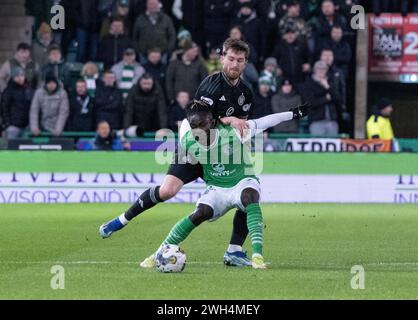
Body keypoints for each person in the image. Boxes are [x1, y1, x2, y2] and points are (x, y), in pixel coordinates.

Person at [99, 38, 260, 267]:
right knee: (167, 191)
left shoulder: (246, 93)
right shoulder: (210, 85)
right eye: (231, 58)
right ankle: (121, 220)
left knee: (246, 188)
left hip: (220, 153)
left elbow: (241, 128)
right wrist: (227, 119)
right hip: (195, 149)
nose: (234, 64)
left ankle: (234, 251)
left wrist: (240, 144)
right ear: (222, 57)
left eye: (240, 60)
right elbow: (199, 123)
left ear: (245, 63)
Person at [138, 99, 308, 269]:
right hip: (217, 189)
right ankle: (158, 253)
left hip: (241, 181)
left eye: (203, 124)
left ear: (212, 121)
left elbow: (266, 121)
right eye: (194, 126)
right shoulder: (187, 141)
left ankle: (257, 256)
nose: (199, 131)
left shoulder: (234, 131)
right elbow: (184, 124)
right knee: (200, 213)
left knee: (250, 196)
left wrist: (293, 113)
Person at [0, 68, 34, 139]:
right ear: (13, 78)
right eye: (17, 76)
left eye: (22, 75)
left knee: (26, 148)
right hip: (13, 127)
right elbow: (4, 109)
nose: (20, 78)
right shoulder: (8, 91)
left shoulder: (29, 90)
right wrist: (8, 124)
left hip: (27, 126)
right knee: (12, 148)